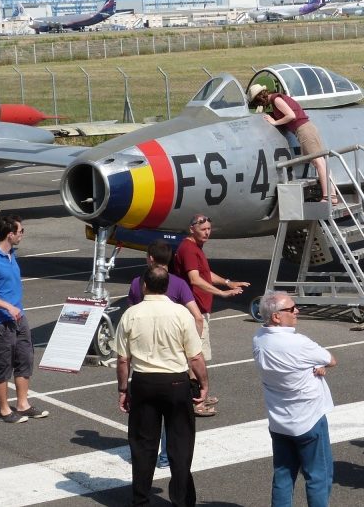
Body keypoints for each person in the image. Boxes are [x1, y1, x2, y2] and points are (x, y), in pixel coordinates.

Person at [115, 266, 208, 507]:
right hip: (176, 381)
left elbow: (123, 359)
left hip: (144, 382)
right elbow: (195, 357)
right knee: (180, 445)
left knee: (143, 445)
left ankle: (141, 500)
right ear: (167, 286)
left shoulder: (131, 314)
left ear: (144, 285)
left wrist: (123, 389)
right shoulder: (180, 313)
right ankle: (182, 500)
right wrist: (204, 384)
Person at [253, 291, 337, 507]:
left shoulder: (259, 340)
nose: (296, 311)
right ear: (276, 316)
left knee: (282, 477)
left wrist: (310, 366)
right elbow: (330, 360)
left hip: (279, 420)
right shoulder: (299, 343)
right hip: (309, 419)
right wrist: (316, 366)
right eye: (291, 309)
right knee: (318, 477)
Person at [127, 239, 205, 469]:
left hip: (144, 360)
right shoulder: (179, 283)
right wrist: (192, 344)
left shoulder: (136, 283)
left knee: (146, 417)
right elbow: (198, 317)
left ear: (150, 258)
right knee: (174, 417)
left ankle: (146, 458)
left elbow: (131, 315)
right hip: (174, 358)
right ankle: (166, 457)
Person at [170, 214, 248, 416]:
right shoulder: (188, 249)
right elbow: (195, 279)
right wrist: (222, 293)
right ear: (192, 229)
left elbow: (205, 273)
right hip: (194, 311)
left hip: (202, 309)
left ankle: (198, 396)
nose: (207, 232)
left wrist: (227, 282)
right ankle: (196, 401)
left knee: (198, 356)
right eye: (203, 229)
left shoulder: (195, 247)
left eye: (209, 229)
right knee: (195, 357)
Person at [0, 213, 48, 424]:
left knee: (25, 358)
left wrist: (15, 309)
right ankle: (4, 410)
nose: (22, 235)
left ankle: (23, 405)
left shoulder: (10, 254)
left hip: (18, 316)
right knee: (4, 364)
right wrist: (7, 306)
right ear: (10, 235)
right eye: (20, 231)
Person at [248, 83, 334, 203]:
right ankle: (333, 195)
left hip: (304, 130)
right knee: (321, 162)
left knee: (318, 162)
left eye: (257, 103)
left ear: (259, 98)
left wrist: (275, 122)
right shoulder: (275, 101)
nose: (259, 105)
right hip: (306, 129)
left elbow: (291, 115)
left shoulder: (276, 99)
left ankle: (327, 196)